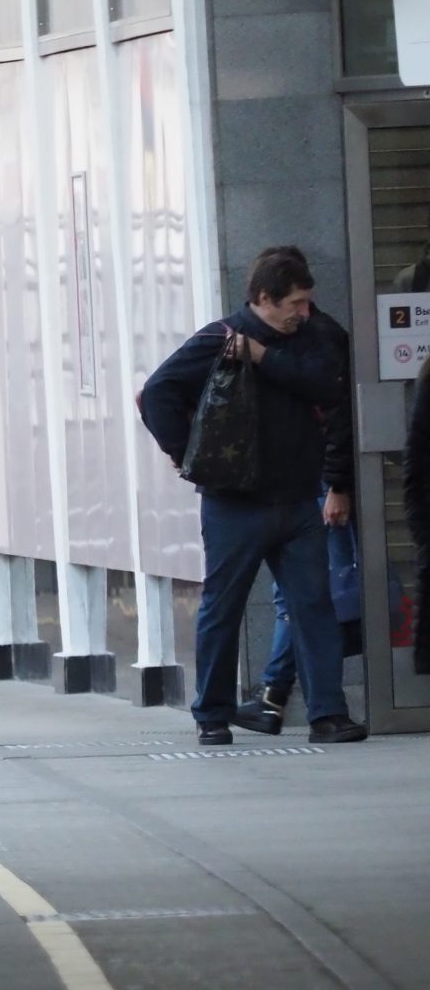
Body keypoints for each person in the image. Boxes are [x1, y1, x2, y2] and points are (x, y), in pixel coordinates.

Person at [138, 247, 365, 745]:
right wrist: (185, 455)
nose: (303, 313)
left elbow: (328, 386)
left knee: (314, 607)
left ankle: (329, 714)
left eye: (307, 304)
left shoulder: (306, 340)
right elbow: (156, 392)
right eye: (296, 303)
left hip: (298, 500)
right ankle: (212, 716)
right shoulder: (219, 339)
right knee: (224, 606)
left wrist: (264, 358)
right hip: (234, 503)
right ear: (265, 297)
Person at [244, 261, 356, 733]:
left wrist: (336, 485)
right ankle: (274, 694)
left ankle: (275, 694)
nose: (299, 311)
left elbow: (337, 416)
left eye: (301, 301)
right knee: (298, 595)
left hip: (318, 484)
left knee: (306, 596)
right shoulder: (306, 336)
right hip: (306, 481)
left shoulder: (319, 336)